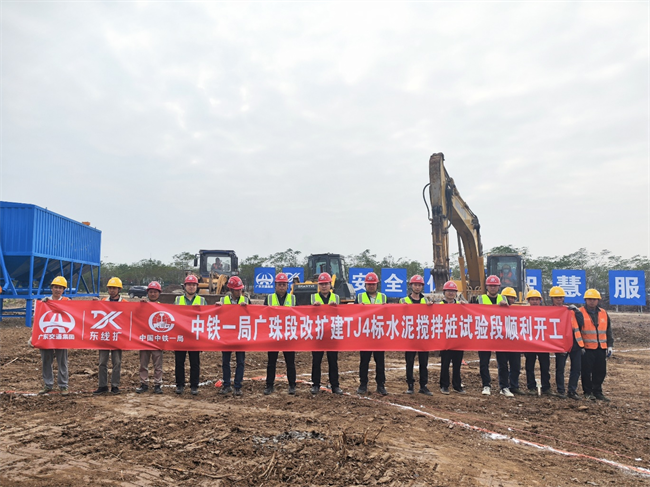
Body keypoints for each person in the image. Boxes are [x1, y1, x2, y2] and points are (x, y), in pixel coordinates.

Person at [473, 275, 508, 396]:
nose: (493, 288)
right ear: (487, 286)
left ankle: (504, 386)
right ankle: (486, 385)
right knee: (484, 362)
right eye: (491, 285)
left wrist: (506, 306)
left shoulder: (504, 299)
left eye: (495, 286)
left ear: (499, 287)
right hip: (485, 334)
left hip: (500, 335)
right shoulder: (479, 299)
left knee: (503, 362)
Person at [549, 286, 585, 400]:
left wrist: (577, 311)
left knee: (576, 368)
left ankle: (572, 391)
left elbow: (581, 323)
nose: (559, 299)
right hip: (561, 344)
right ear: (552, 299)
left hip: (575, 343)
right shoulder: (548, 311)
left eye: (561, 297)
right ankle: (561, 390)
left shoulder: (570, 310)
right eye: (557, 297)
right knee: (560, 369)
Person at [263, 273, 297, 396]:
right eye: (279, 284)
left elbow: (299, 314)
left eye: (283, 284)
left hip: (288, 335)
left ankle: (292, 385)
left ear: (287, 285)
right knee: (271, 362)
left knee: (290, 362)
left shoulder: (293, 298)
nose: (281, 286)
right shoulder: (269, 298)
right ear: (275, 285)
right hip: (274, 334)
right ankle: (269, 385)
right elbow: (263, 314)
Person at [355, 272, 388, 396]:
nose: (371, 286)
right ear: (365, 285)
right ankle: (363, 384)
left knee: (380, 362)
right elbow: (353, 314)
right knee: (364, 361)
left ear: (377, 284)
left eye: (373, 284)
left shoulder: (383, 297)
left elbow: (389, 314)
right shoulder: (360, 297)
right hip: (365, 334)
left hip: (378, 334)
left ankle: (381, 385)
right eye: (369, 284)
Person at [400, 275, 433, 396]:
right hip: (410, 336)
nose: (417, 287)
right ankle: (410, 385)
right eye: (415, 285)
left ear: (422, 287)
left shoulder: (426, 301)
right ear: (411, 286)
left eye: (419, 285)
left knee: (424, 362)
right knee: (409, 362)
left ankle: (423, 386)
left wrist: (431, 307)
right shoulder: (403, 301)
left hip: (423, 336)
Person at [310, 272, 342, 395]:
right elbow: (307, 315)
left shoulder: (336, 298)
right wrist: (313, 308)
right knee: (316, 361)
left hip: (332, 334)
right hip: (318, 334)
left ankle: (335, 385)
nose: (324, 286)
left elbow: (342, 315)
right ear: (318, 285)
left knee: (333, 361)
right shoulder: (313, 298)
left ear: (330, 284)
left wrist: (336, 308)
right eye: (322, 284)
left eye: (326, 284)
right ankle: (315, 384)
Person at [174, 275, 207, 395]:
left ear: (197, 287)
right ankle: (180, 385)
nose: (191, 287)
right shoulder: (178, 300)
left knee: (195, 362)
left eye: (194, 285)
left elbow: (206, 317)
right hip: (181, 335)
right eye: (189, 285)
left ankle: (194, 386)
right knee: (179, 362)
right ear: (185, 286)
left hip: (195, 336)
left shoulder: (202, 300)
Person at [38, 276, 71, 396]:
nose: (57, 290)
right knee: (46, 361)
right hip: (47, 336)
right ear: (51, 288)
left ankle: (63, 385)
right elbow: (38, 319)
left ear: (63, 290)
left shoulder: (67, 302)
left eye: (60, 288)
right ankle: (48, 384)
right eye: (55, 287)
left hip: (61, 336)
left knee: (62, 361)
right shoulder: (44, 302)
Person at [580, 289, 613, 401]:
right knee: (586, 372)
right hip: (586, 348)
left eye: (594, 299)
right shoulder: (580, 312)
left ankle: (597, 391)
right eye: (589, 299)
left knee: (600, 371)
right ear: (585, 300)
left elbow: (608, 330)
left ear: (598, 300)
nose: (592, 301)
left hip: (601, 348)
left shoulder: (603, 313)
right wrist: (580, 346)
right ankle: (588, 392)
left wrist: (610, 345)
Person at [93, 277, 125, 395]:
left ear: (119, 289)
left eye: (114, 288)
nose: (112, 290)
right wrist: (95, 303)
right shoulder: (103, 301)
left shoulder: (125, 303)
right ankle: (102, 385)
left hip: (117, 337)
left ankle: (115, 386)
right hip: (105, 336)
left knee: (117, 362)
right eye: (110, 288)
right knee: (102, 362)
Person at [219, 276, 249, 397]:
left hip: (240, 334)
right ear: (231, 290)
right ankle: (226, 385)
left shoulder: (246, 300)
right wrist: (217, 307)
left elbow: (253, 315)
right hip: (227, 335)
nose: (239, 292)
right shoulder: (223, 300)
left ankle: (237, 386)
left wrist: (247, 308)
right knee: (225, 361)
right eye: (237, 290)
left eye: (240, 289)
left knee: (240, 361)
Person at [136, 281, 164, 394]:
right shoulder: (143, 305)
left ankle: (158, 384)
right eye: (151, 292)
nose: (153, 294)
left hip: (157, 340)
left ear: (159, 293)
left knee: (158, 364)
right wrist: (141, 305)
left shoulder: (163, 307)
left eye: (155, 292)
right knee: (143, 363)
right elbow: (135, 315)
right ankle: (144, 383)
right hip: (145, 339)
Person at [495, 287, 524, 397]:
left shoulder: (518, 311)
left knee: (515, 366)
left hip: (514, 342)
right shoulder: (496, 310)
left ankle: (514, 386)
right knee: (503, 366)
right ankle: (504, 386)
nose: (510, 300)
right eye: (507, 297)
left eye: (512, 298)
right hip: (501, 342)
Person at [438, 281, 465, 395]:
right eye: (448, 291)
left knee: (457, 364)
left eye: (453, 291)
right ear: (444, 292)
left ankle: (457, 385)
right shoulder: (439, 305)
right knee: (445, 363)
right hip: (445, 340)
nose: (451, 293)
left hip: (458, 339)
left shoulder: (461, 305)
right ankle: (444, 385)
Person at [524, 289, 551, 396]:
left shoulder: (546, 312)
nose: (534, 301)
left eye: (536, 299)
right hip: (529, 344)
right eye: (532, 299)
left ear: (540, 300)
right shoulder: (523, 312)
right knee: (529, 366)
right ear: (528, 301)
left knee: (545, 367)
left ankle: (546, 387)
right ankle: (531, 386)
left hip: (543, 344)